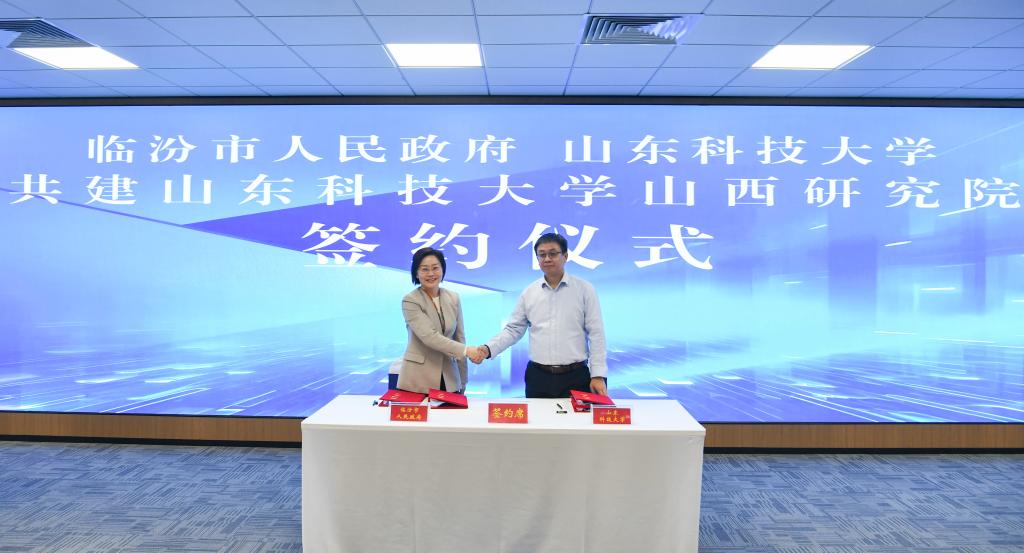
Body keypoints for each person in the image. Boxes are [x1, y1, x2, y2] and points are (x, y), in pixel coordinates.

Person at [474, 233, 608, 398]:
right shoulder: (529, 292)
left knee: (577, 416)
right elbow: (513, 330)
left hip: (576, 376)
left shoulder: (584, 290)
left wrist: (598, 375)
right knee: (537, 416)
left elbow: (596, 334)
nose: (547, 259)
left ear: (565, 256)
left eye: (553, 254)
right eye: (542, 255)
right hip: (539, 377)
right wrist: (488, 348)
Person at [398, 248, 483, 394]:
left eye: (435, 268)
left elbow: (459, 337)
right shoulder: (410, 300)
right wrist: (467, 351)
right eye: (424, 269)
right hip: (417, 380)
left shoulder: (453, 298)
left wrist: (463, 380)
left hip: (449, 379)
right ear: (416, 273)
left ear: (442, 270)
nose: (431, 274)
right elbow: (430, 337)